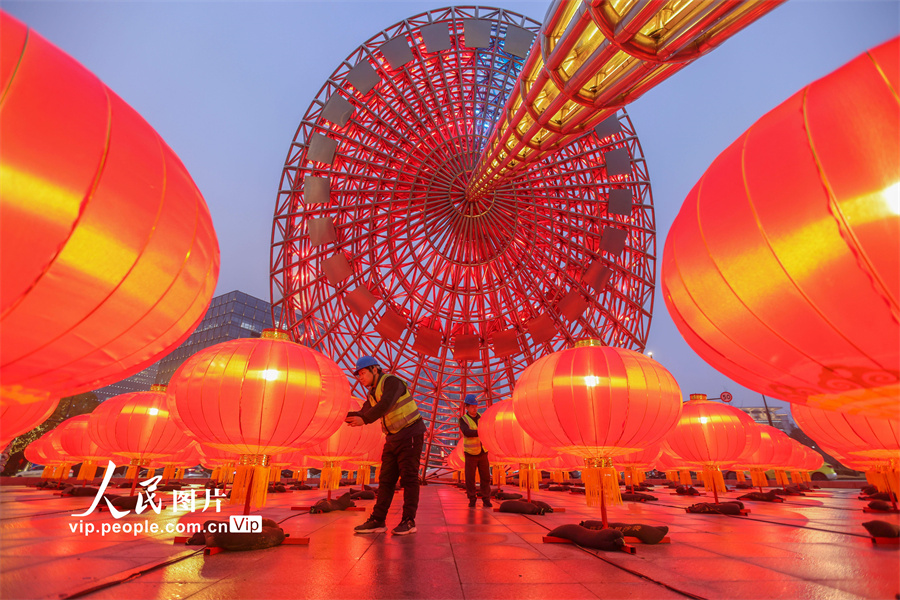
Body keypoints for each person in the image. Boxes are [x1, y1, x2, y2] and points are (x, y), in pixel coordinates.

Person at [345, 356, 426, 535]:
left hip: (410, 433)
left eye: (363, 373)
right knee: (386, 480)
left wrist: (364, 419)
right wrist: (340, 414)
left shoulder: (392, 382)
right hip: (393, 438)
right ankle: (378, 520)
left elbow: (385, 405)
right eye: (358, 375)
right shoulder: (372, 393)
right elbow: (364, 411)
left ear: (375, 369)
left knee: (409, 478)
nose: (360, 378)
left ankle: (409, 521)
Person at [459, 394, 492, 508]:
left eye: (476, 406)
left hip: (483, 452)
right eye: (472, 406)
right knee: (470, 478)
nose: (475, 408)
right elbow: (466, 432)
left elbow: (488, 429)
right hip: (470, 453)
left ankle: (486, 499)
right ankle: (472, 498)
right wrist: (481, 432)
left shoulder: (482, 417)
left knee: (486, 477)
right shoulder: (463, 420)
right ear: (467, 407)